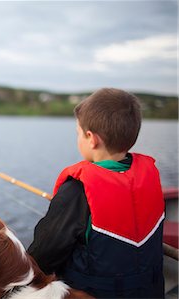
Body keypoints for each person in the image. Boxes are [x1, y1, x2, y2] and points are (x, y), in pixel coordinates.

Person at [27, 88, 165, 298]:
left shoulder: (76, 190)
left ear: (91, 138)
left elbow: (41, 258)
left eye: (78, 133)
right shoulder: (150, 177)